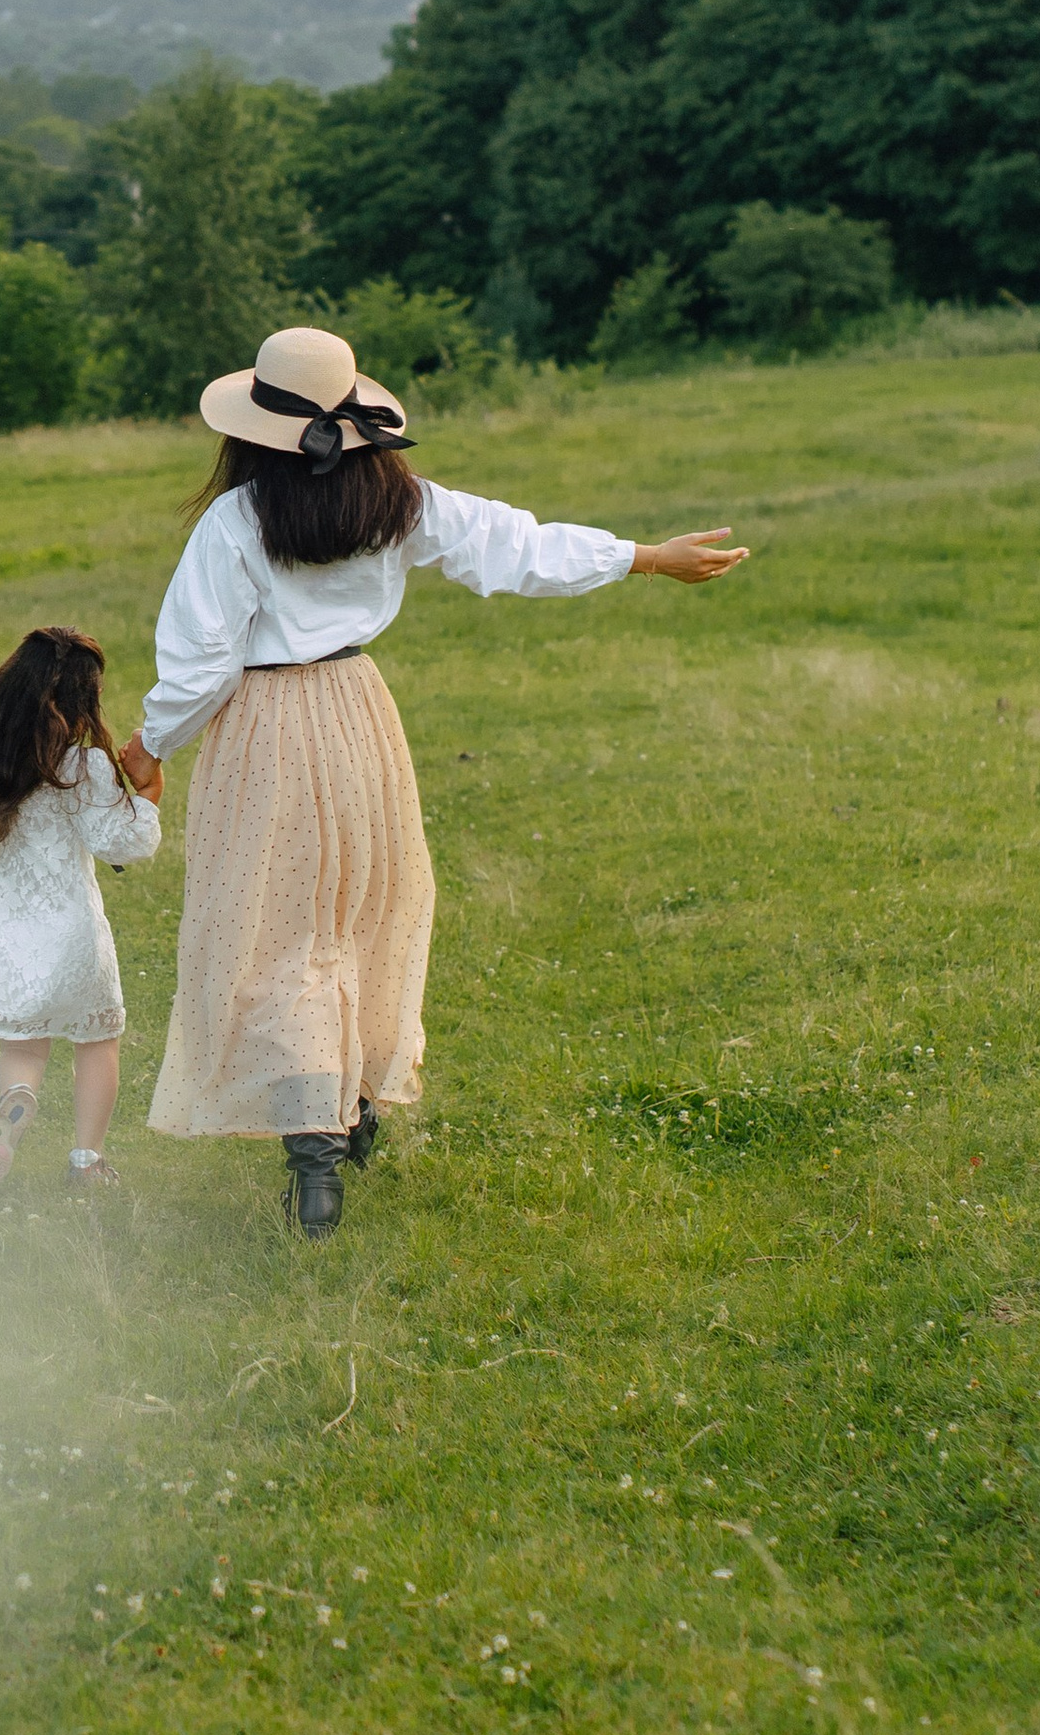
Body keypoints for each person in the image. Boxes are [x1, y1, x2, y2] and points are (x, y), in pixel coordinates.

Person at [137, 324, 746, 1235]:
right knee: (358, 916)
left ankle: (316, 1162)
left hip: (266, 732)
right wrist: (646, 555)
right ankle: (354, 1111)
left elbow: (200, 665)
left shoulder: (236, 522)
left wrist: (149, 746)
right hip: (359, 718)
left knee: (280, 937)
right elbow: (516, 546)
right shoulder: (398, 501)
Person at [0, 624, 166, 1191]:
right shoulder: (82, 766)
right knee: (96, 1039)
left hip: (10, 937)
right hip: (74, 937)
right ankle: (87, 1163)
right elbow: (122, 843)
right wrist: (149, 792)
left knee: (24, 1042)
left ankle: (17, 1098)